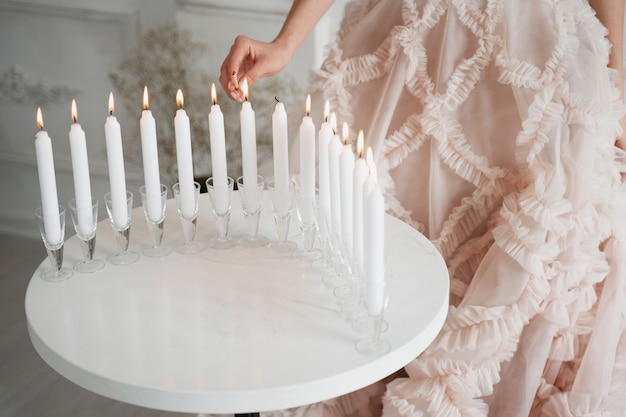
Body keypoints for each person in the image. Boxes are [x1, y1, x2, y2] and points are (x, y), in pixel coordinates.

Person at [220, 1, 626, 416]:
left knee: (539, 242)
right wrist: (286, 42)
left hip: (536, 54)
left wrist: (621, 96)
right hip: (406, 46)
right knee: (369, 257)